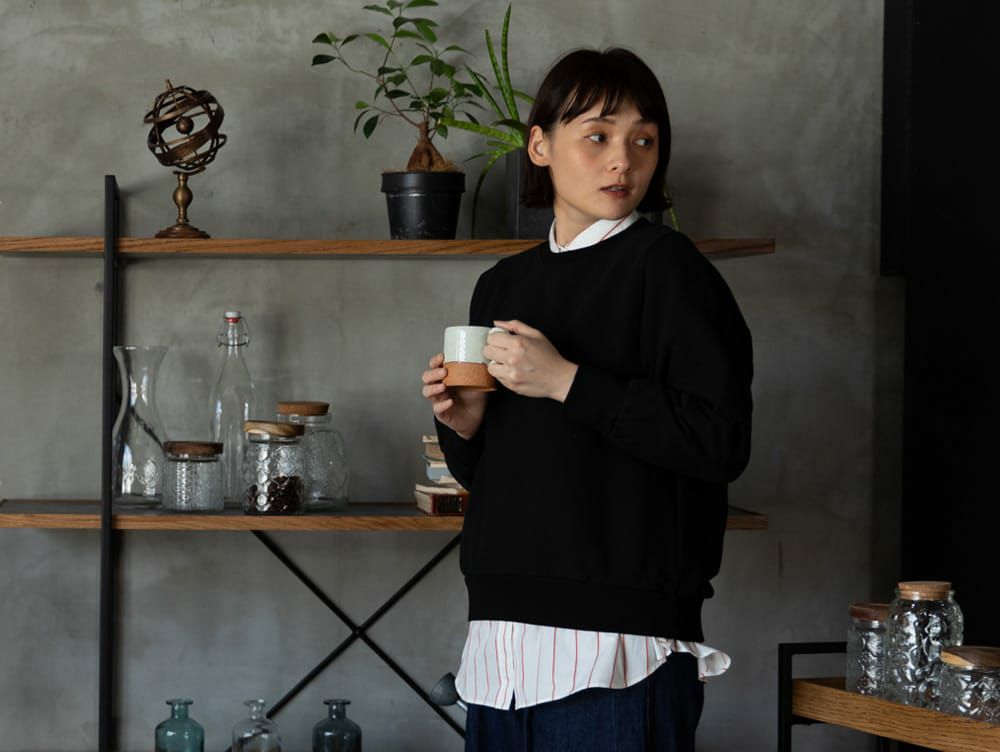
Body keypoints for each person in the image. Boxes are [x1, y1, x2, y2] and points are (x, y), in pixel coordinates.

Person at [421, 47, 753, 752]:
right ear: (539, 146)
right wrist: (465, 426)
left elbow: (719, 441)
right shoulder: (502, 284)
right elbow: (503, 472)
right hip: (500, 639)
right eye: (597, 136)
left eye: (644, 140)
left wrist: (565, 380)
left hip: (621, 645)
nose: (623, 161)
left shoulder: (671, 270)